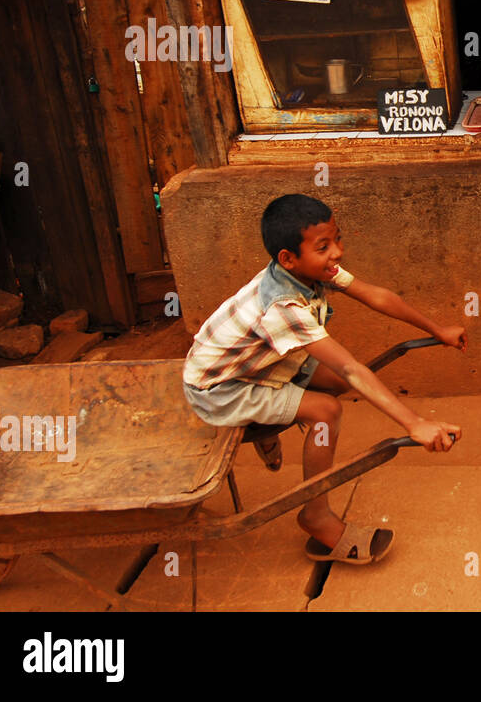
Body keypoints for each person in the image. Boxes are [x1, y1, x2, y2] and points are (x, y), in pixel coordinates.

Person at [181, 193, 465, 565]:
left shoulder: (313, 269)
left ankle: (264, 426)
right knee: (326, 411)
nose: (337, 253)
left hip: (258, 364)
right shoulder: (283, 306)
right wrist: (415, 423)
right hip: (223, 388)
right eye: (324, 247)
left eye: (337, 239)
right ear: (288, 258)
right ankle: (315, 515)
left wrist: (437, 328)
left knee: (335, 383)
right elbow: (351, 367)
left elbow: (376, 296)